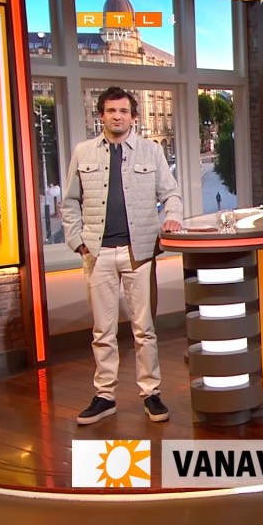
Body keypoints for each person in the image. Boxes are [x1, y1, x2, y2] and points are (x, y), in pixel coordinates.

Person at [61, 86, 183, 425]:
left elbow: (171, 194)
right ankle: (105, 396)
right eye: (112, 111)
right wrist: (77, 242)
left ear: (133, 117)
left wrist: (172, 217)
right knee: (102, 331)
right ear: (101, 115)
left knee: (144, 329)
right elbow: (69, 202)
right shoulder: (83, 152)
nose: (118, 116)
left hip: (139, 253)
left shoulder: (151, 151)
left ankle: (151, 393)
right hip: (96, 253)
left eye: (124, 111)